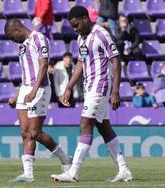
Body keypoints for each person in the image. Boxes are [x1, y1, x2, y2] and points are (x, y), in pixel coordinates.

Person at [51, 6, 133, 183]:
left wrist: (116, 91)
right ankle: (124, 169)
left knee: (85, 123)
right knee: (104, 128)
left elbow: (116, 62)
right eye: (73, 27)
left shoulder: (101, 34)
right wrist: (68, 87)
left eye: (77, 25)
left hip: (101, 86)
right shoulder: (81, 38)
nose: (75, 29)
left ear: (85, 19)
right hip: (89, 87)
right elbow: (80, 64)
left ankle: (73, 172)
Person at [4, 18, 72, 182]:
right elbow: (28, 71)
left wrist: (34, 90)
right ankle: (28, 174)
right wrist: (19, 93)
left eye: (12, 36)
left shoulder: (38, 38)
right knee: (24, 133)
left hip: (40, 89)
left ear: (18, 29)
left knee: (34, 133)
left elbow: (43, 66)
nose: (12, 40)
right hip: (26, 89)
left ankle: (65, 159)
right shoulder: (23, 46)